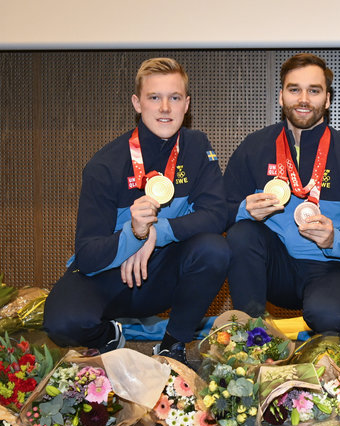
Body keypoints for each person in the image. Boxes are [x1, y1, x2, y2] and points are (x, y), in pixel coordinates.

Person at [43, 58, 231, 364]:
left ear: (187, 104)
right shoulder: (105, 164)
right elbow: (89, 256)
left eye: (174, 98)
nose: (165, 108)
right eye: (154, 97)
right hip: (108, 274)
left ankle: (173, 343)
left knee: (215, 249)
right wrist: (133, 234)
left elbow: (216, 214)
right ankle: (107, 335)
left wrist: (155, 234)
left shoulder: (197, 147)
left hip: (163, 271)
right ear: (137, 103)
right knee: (62, 323)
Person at [224, 53, 340, 336]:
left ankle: (330, 326)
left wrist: (336, 239)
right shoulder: (255, 147)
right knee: (242, 233)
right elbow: (218, 210)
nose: (303, 99)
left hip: (333, 267)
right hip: (278, 269)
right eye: (294, 89)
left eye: (313, 91)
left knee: (327, 315)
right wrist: (243, 210)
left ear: (327, 99)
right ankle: (252, 340)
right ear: (281, 96)